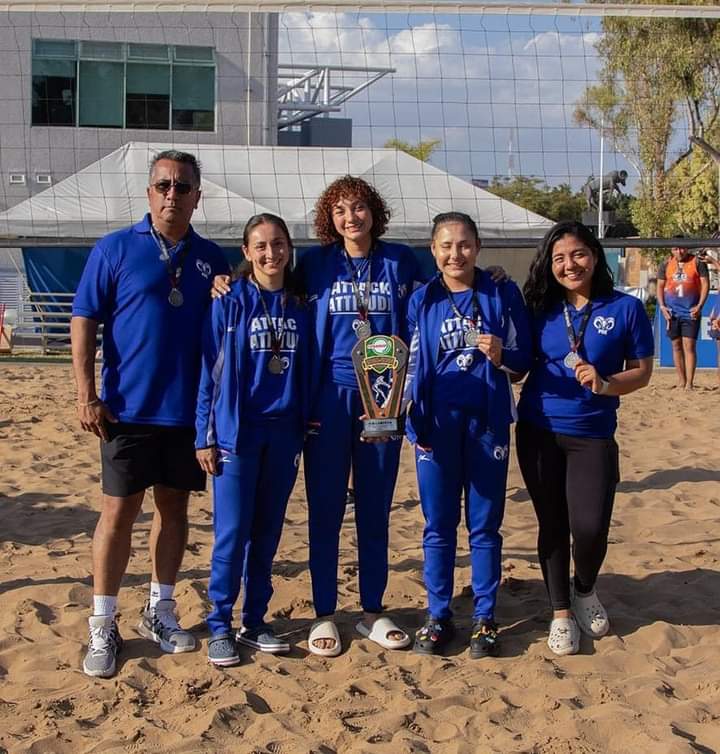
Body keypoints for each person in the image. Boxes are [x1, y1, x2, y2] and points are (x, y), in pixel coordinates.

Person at [71, 150, 229, 678]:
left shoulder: (213, 259)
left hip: (186, 413)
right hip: (124, 410)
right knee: (118, 513)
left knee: (174, 511)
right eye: (163, 185)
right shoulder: (115, 247)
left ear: (197, 197)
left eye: (182, 187)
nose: (171, 194)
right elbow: (84, 320)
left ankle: (160, 609)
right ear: (148, 192)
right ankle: (103, 622)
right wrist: (85, 393)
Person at [296, 175, 421, 656]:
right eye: (341, 210)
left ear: (375, 212)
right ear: (330, 218)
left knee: (375, 508)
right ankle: (325, 613)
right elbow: (266, 283)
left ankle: (372, 609)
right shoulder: (314, 265)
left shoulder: (400, 260)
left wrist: (490, 275)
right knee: (325, 510)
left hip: (384, 398)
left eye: (360, 207)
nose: (352, 217)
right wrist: (228, 278)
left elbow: (429, 308)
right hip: (329, 398)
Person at [516, 221, 653, 656]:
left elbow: (643, 371)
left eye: (577, 254)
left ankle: (584, 588)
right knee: (552, 524)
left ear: (594, 256)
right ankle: (560, 612)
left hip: (593, 433)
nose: (568, 264)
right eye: (558, 258)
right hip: (538, 429)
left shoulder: (625, 309)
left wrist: (606, 383)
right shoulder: (538, 307)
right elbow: (519, 367)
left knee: (590, 527)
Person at [404, 212, 532, 658]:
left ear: (477, 247)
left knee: (484, 526)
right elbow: (409, 364)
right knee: (438, 525)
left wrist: (501, 355)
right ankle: (438, 616)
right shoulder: (422, 299)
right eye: (445, 245)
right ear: (433, 250)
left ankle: (484, 619)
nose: (454, 253)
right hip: (435, 426)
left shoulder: (501, 291)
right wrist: (408, 417)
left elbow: (523, 360)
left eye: (463, 244)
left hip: (486, 423)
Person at [195, 214, 310, 666]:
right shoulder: (229, 300)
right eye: (260, 246)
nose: (270, 253)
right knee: (231, 532)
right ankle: (219, 624)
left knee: (267, 532)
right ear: (246, 252)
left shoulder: (301, 302)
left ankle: (254, 620)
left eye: (278, 244)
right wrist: (205, 437)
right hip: (236, 434)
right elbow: (209, 373)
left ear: (289, 248)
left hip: (284, 433)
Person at [657, 240, 709, 390]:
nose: (679, 251)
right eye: (675, 248)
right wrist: (662, 306)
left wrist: (700, 305)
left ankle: (689, 383)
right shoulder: (665, 264)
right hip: (672, 312)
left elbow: (705, 284)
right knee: (676, 345)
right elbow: (660, 286)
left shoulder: (696, 262)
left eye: (682, 248)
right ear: (671, 250)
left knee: (689, 345)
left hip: (691, 311)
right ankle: (681, 381)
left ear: (686, 248)